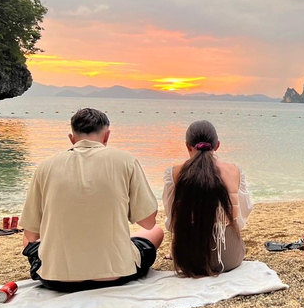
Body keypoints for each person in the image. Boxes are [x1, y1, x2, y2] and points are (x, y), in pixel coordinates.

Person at [20, 108, 164, 292]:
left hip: (56, 279)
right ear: (107, 136)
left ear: (71, 138)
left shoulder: (45, 167)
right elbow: (148, 223)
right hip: (116, 273)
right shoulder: (126, 161)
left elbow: (32, 235)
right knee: (157, 232)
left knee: (27, 237)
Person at [162, 120, 251, 276]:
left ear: (187, 146)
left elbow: (172, 220)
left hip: (188, 259)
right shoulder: (234, 171)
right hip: (229, 258)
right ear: (217, 145)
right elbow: (242, 215)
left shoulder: (174, 174)